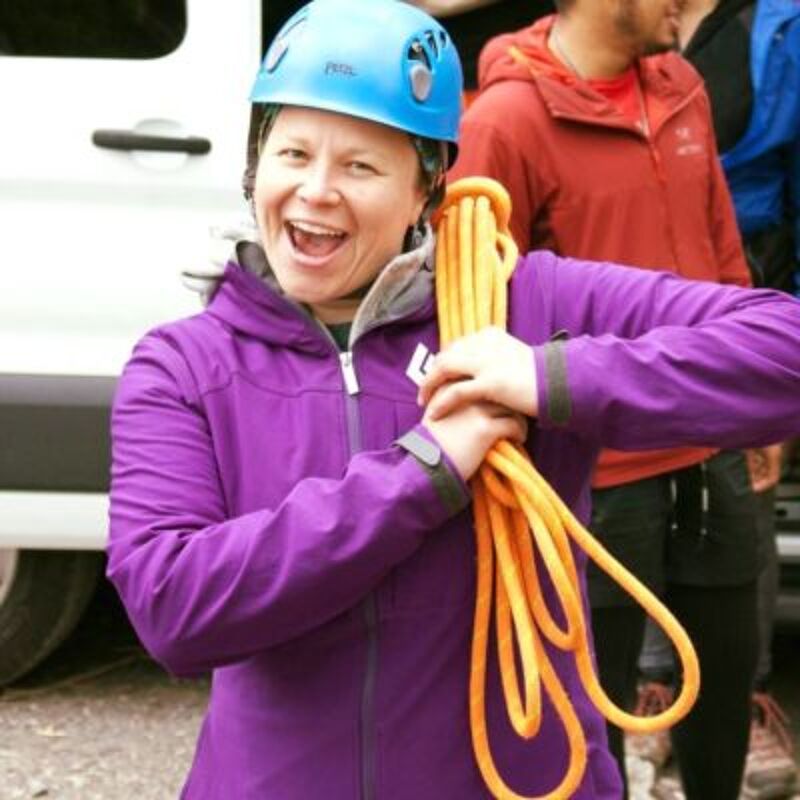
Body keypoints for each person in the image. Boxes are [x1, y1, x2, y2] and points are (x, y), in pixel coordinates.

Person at [106, 1, 800, 798]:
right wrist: (425, 471)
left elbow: (782, 348)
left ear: (427, 191)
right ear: (253, 167)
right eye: (292, 153)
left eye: (361, 167)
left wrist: (552, 377)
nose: (316, 191)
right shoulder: (183, 367)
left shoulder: (522, 307)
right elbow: (174, 610)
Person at [449, 1, 769, 798]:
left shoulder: (682, 85)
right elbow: (473, 308)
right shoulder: (505, 121)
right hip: (593, 475)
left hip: (712, 448)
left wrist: (755, 402)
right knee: (589, 709)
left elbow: (722, 249)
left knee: (723, 685)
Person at [637, 2, 800, 798]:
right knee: (628, 481)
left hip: (744, 282)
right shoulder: (623, 23)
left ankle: (744, 692)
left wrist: (781, 382)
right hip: (631, 285)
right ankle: (648, 687)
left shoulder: (777, 27)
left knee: (740, 492)